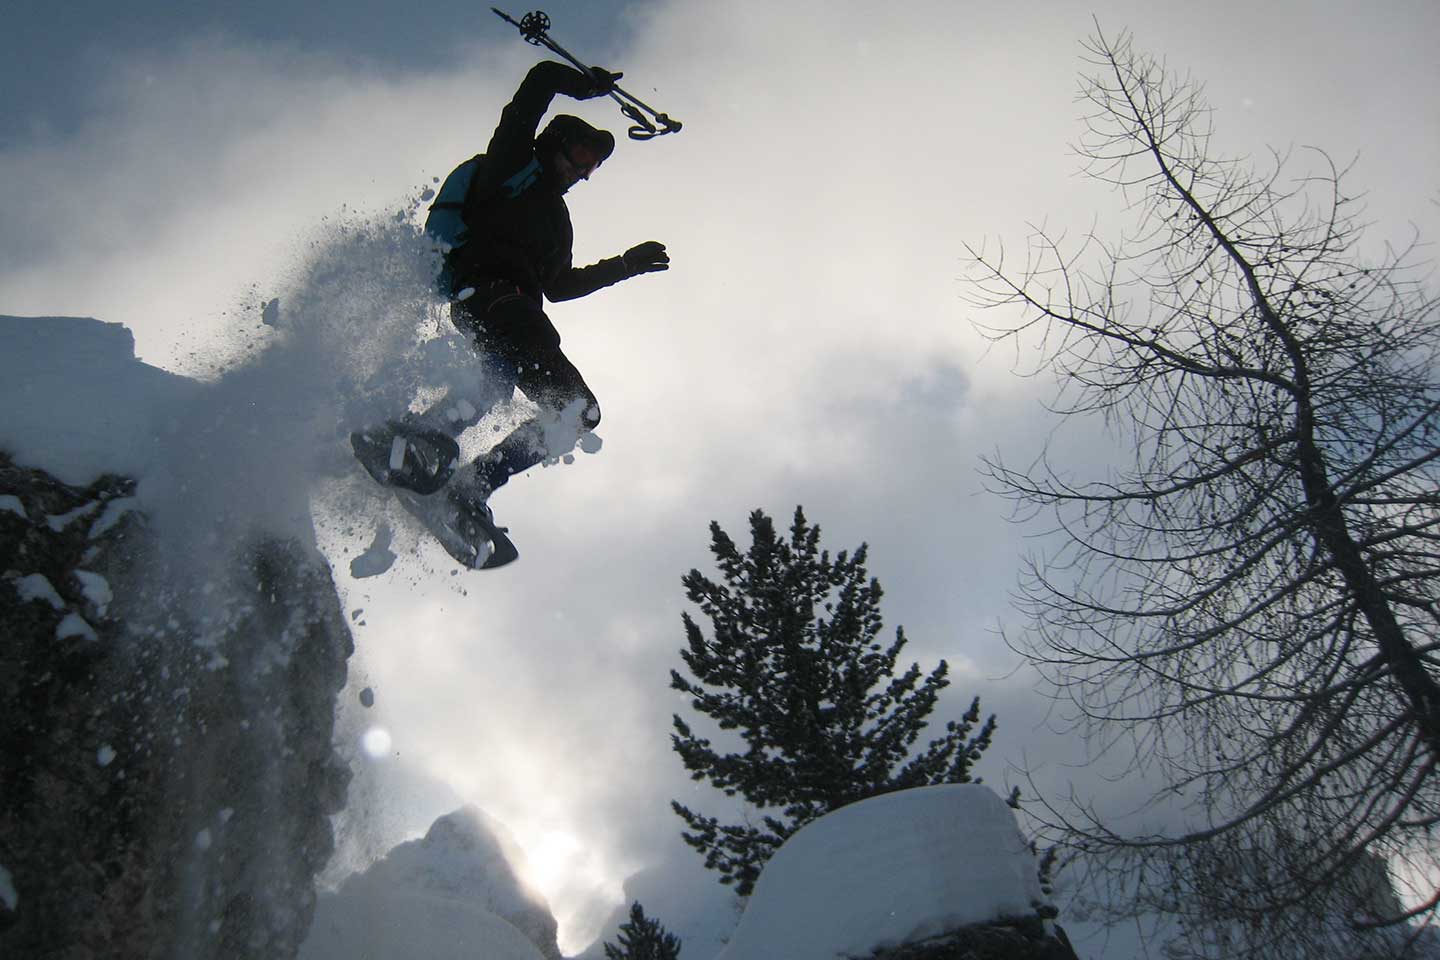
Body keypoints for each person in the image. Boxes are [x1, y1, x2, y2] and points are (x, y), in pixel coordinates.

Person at [351, 60, 670, 568]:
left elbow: (560, 285)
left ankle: (468, 481)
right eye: (582, 154)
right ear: (558, 142)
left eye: (592, 167)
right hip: (483, 292)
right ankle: (415, 441)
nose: (583, 170)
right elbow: (539, 83)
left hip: (513, 307)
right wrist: (581, 86)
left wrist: (624, 265)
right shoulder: (511, 162)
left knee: (570, 410)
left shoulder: (556, 221)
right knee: (535, 358)